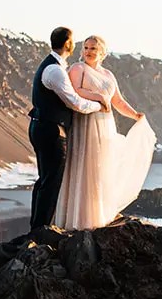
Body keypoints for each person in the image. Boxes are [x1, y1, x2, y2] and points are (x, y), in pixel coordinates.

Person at [55, 34, 157, 229]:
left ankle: (97, 215)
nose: (88, 52)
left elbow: (117, 101)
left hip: (104, 124)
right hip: (85, 122)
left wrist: (135, 115)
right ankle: (79, 220)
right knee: (85, 166)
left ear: (102, 52)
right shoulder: (78, 69)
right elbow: (74, 91)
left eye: (93, 48)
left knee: (101, 167)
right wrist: (99, 96)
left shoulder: (108, 74)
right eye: (85, 48)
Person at [29, 26, 109, 232]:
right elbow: (75, 103)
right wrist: (100, 105)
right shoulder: (55, 70)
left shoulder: (52, 66)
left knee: (45, 179)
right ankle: (41, 229)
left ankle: (37, 226)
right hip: (51, 130)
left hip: (41, 126)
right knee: (52, 180)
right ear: (68, 44)